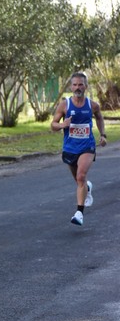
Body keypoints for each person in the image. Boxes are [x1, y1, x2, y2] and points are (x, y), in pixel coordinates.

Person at [51, 71, 107, 226]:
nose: (77, 87)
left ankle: (79, 213)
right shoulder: (64, 105)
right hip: (70, 147)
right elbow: (53, 125)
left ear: (86, 86)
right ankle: (87, 188)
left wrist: (103, 135)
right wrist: (62, 124)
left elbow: (100, 117)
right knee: (78, 179)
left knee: (81, 176)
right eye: (75, 84)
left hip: (87, 146)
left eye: (80, 84)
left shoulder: (92, 105)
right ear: (70, 86)